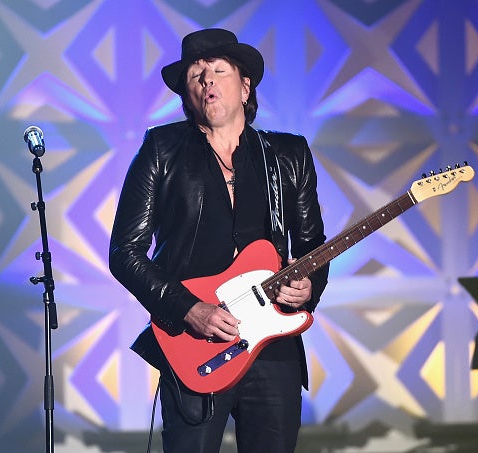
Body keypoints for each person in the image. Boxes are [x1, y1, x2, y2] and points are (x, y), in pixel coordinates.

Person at [109, 28, 329, 453]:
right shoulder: (162, 149)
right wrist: (189, 310)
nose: (207, 80)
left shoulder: (288, 155)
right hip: (194, 347)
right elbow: (125, 252)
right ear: (187, 96)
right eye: (196, 75)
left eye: (218, 70)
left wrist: (308, 288)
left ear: (245, 86)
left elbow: (310, 246)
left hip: (273, 346)